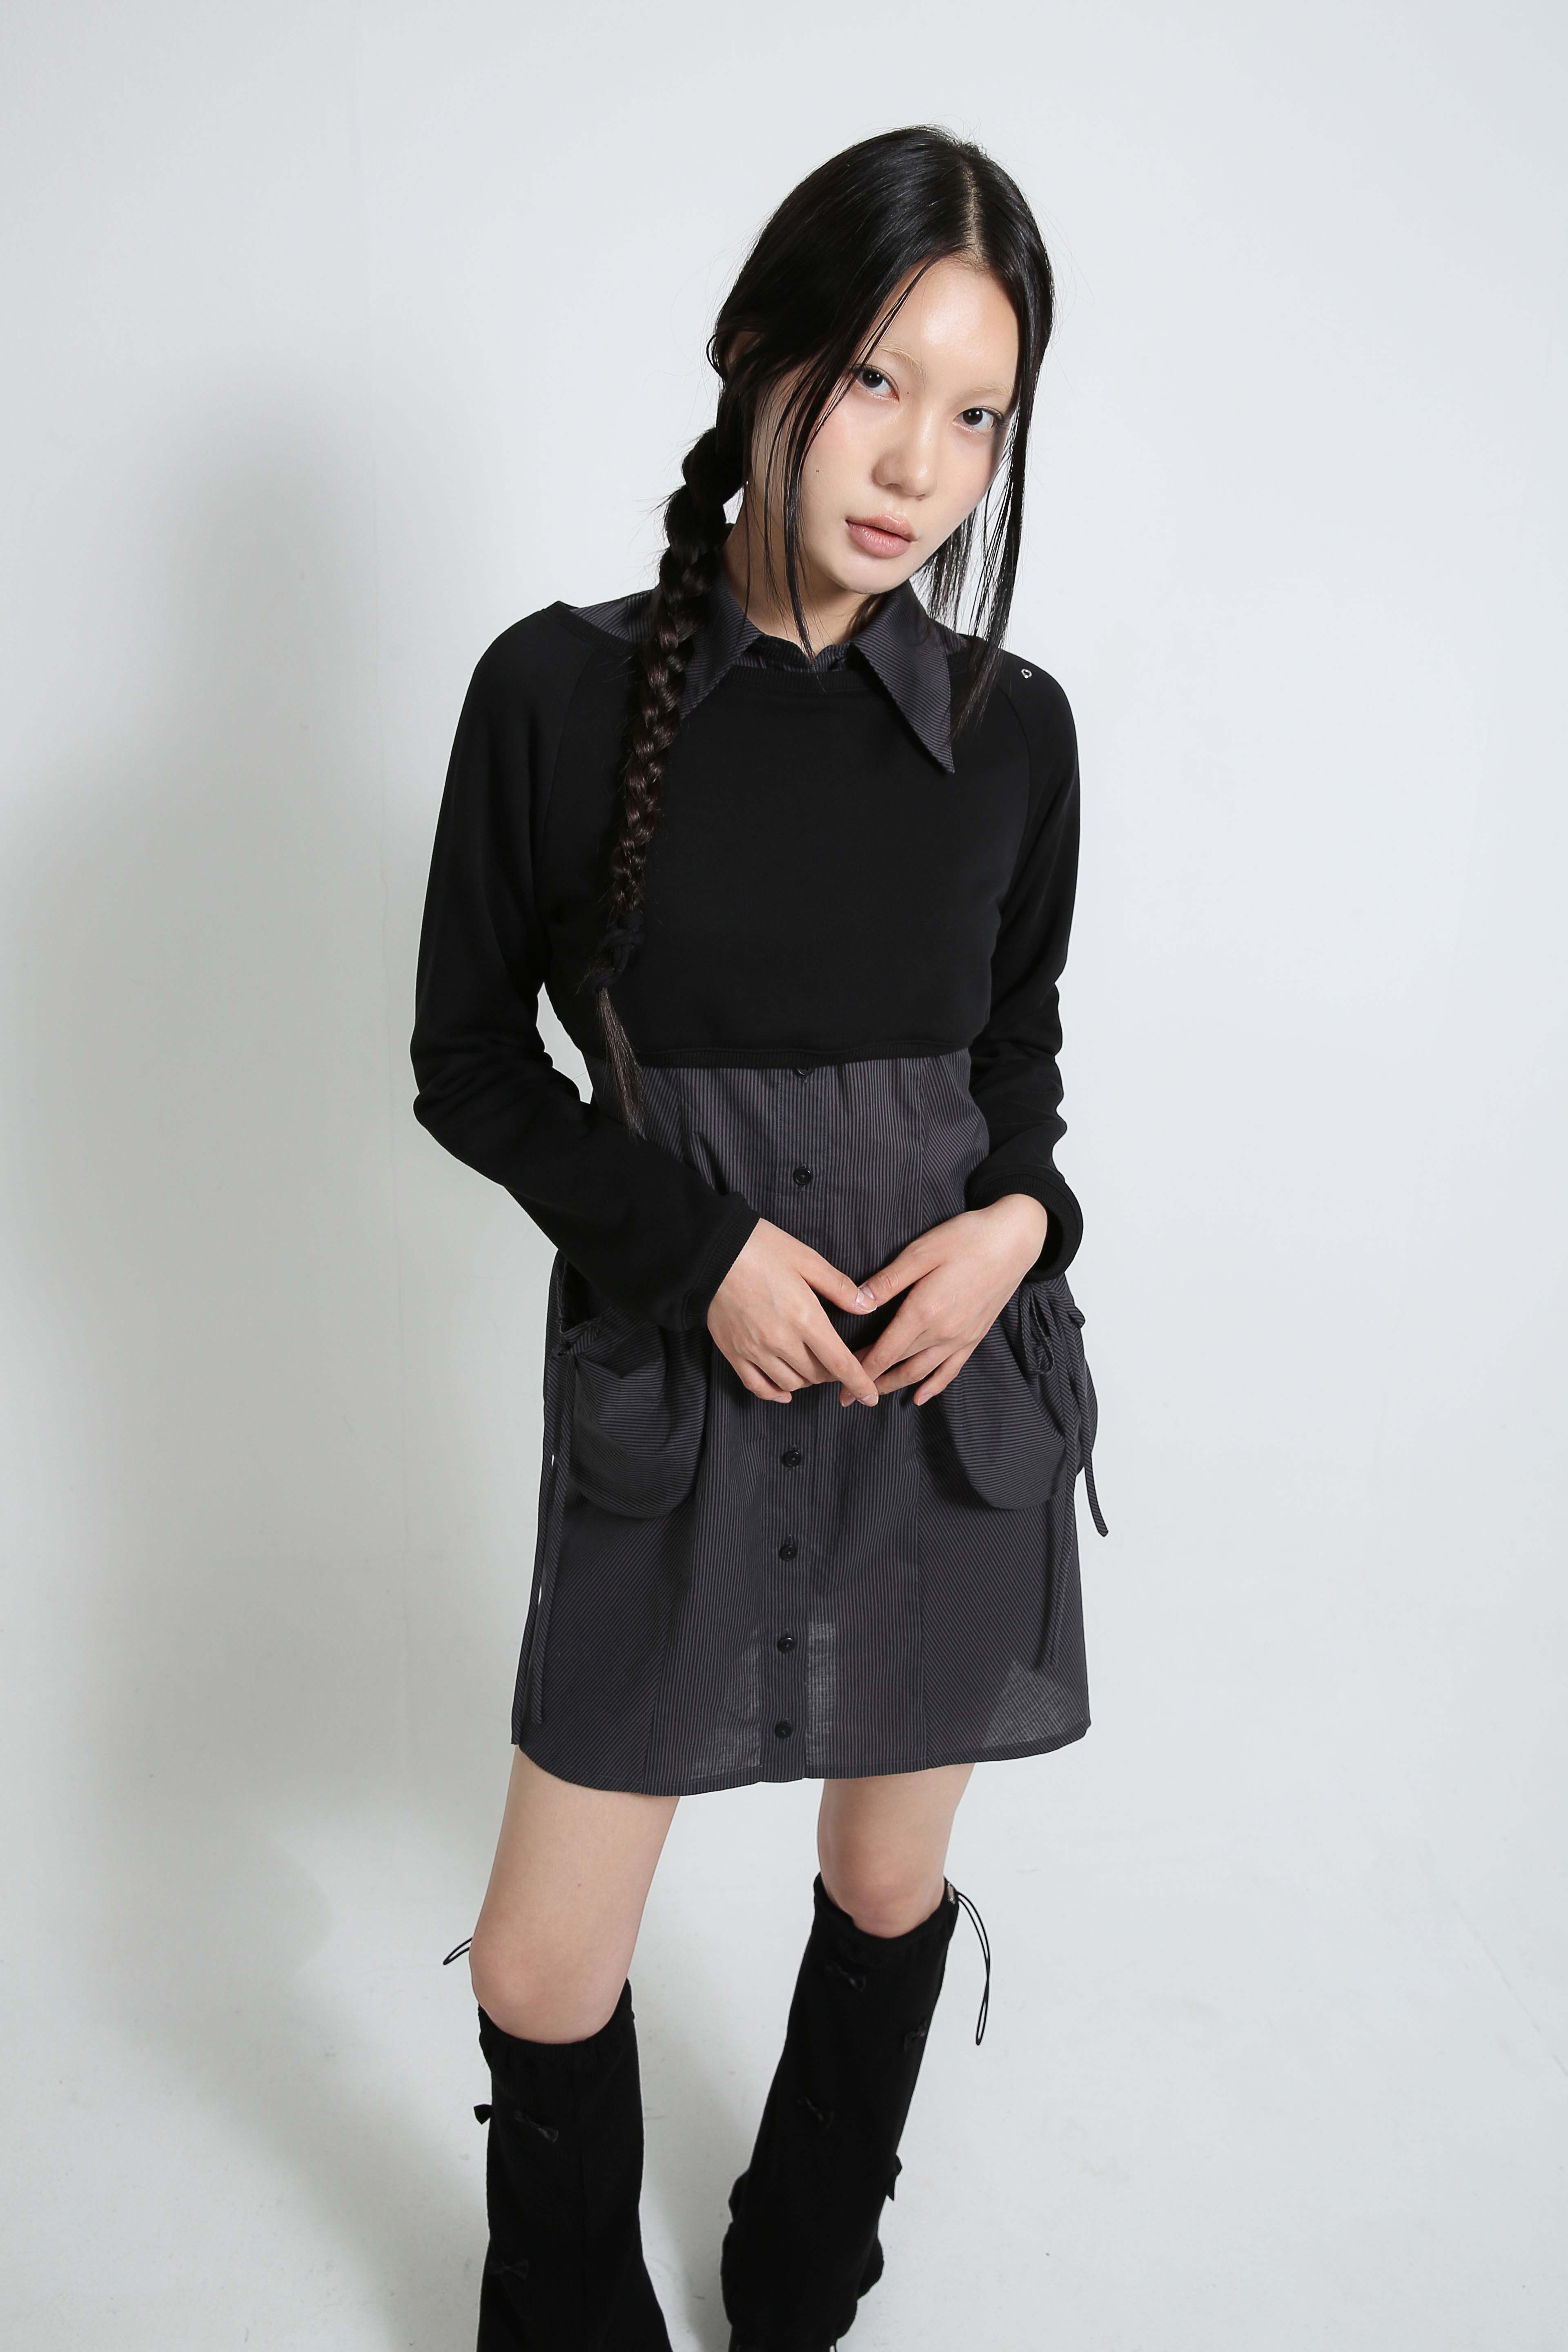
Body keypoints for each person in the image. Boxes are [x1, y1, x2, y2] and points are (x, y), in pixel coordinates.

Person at [410, 121, 1105, 2352]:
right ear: (764, 352)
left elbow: (1020, 1065)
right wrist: (696, 1251)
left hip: (949, 1399)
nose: (920, 466)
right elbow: (468, 1065)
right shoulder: (555, 693)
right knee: (547, 1959)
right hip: (678, 1391)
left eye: (977, 414)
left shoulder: (1015, 734)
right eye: (881, 379)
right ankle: (563, 2310)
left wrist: (1023, 1226)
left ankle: (807, 2253)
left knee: (888, 1876)